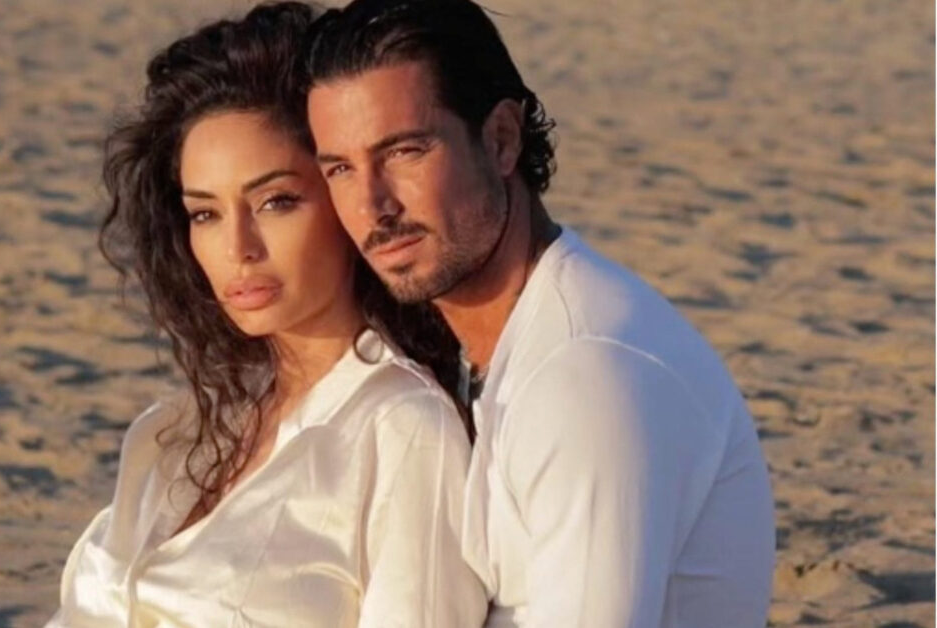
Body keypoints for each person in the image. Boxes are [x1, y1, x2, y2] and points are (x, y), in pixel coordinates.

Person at [304, 0, 776, 626]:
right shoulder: (499, 344)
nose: (372, 205)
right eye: (340, 168)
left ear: (501, 139)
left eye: (405, 152)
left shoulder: (584, 375)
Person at [45, 3, 487, 626]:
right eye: (205, 213)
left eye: (276, 201)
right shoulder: (187, 426)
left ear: (344, 200)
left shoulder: (404, 431)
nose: (238, 248)